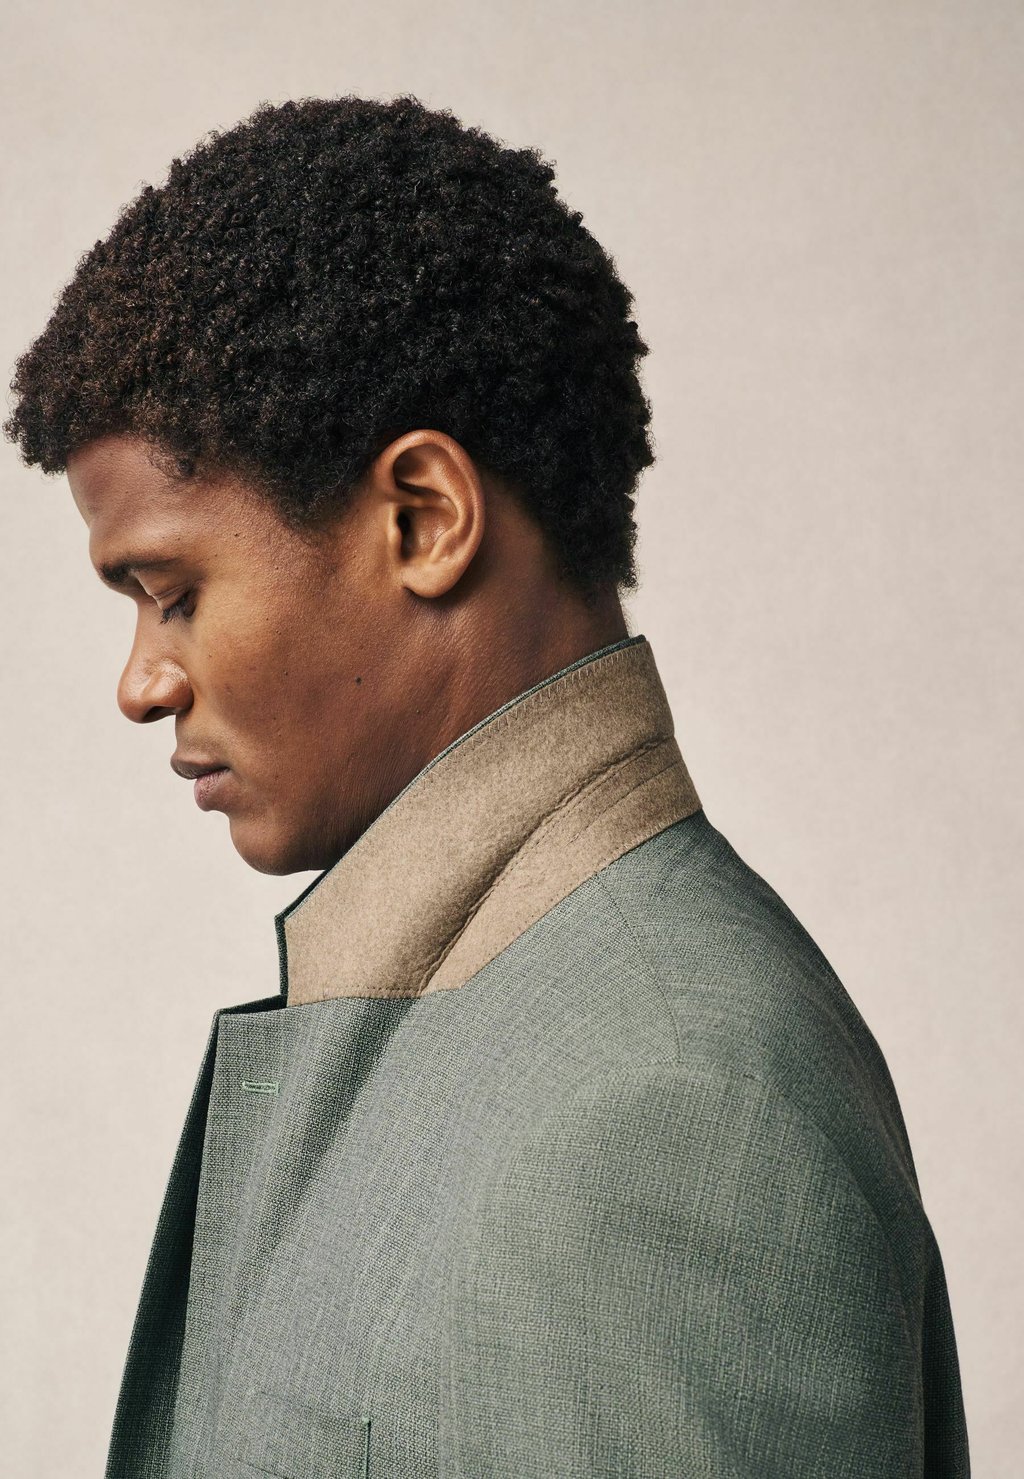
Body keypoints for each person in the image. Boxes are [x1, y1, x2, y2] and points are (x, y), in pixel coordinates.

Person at [4, 95, 969, 1478]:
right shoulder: (516, 1020)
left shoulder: (675, 1100)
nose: (142, 682)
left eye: (174, 591)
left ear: (424, 519)